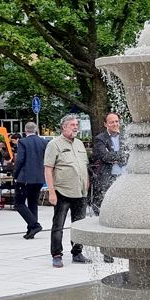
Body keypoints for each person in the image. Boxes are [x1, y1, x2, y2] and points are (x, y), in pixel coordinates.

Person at [44, 114, 91, 268]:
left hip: (80, 191)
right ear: (63, 127)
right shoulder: (54, 144)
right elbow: (48, 169)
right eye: (72, 125)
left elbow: (84, 166)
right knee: (58, 224)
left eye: (76, 124)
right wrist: (51, 192)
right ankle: (56, 254)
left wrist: (87, 183)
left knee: (79, 225)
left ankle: (77, 252)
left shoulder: (79, 144)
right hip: (62, 191)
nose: (75, 127)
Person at [91, 112, 127, 263]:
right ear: (105, 124)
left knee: (124, 214)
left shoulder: (126, 136)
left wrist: (115, 155)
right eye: (111, 122)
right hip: (108, 180)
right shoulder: (100, 138)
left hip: (125, 180)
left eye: (117, 121)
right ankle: (107, 250)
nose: (115, 124)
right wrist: (121, 155)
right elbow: (104, 157)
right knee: (108, 216)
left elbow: (132, 154)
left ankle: (124, 246)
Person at [13, 121, 49, 239]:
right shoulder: (44, 142)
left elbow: (20, 160)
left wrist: (15, 174)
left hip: (25, 177)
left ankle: (34, 225)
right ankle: (31, 230)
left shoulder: (23, 142)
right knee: (33, 203)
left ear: (25, 130)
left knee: (19, 203)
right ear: (36, 129)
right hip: (39, 178)